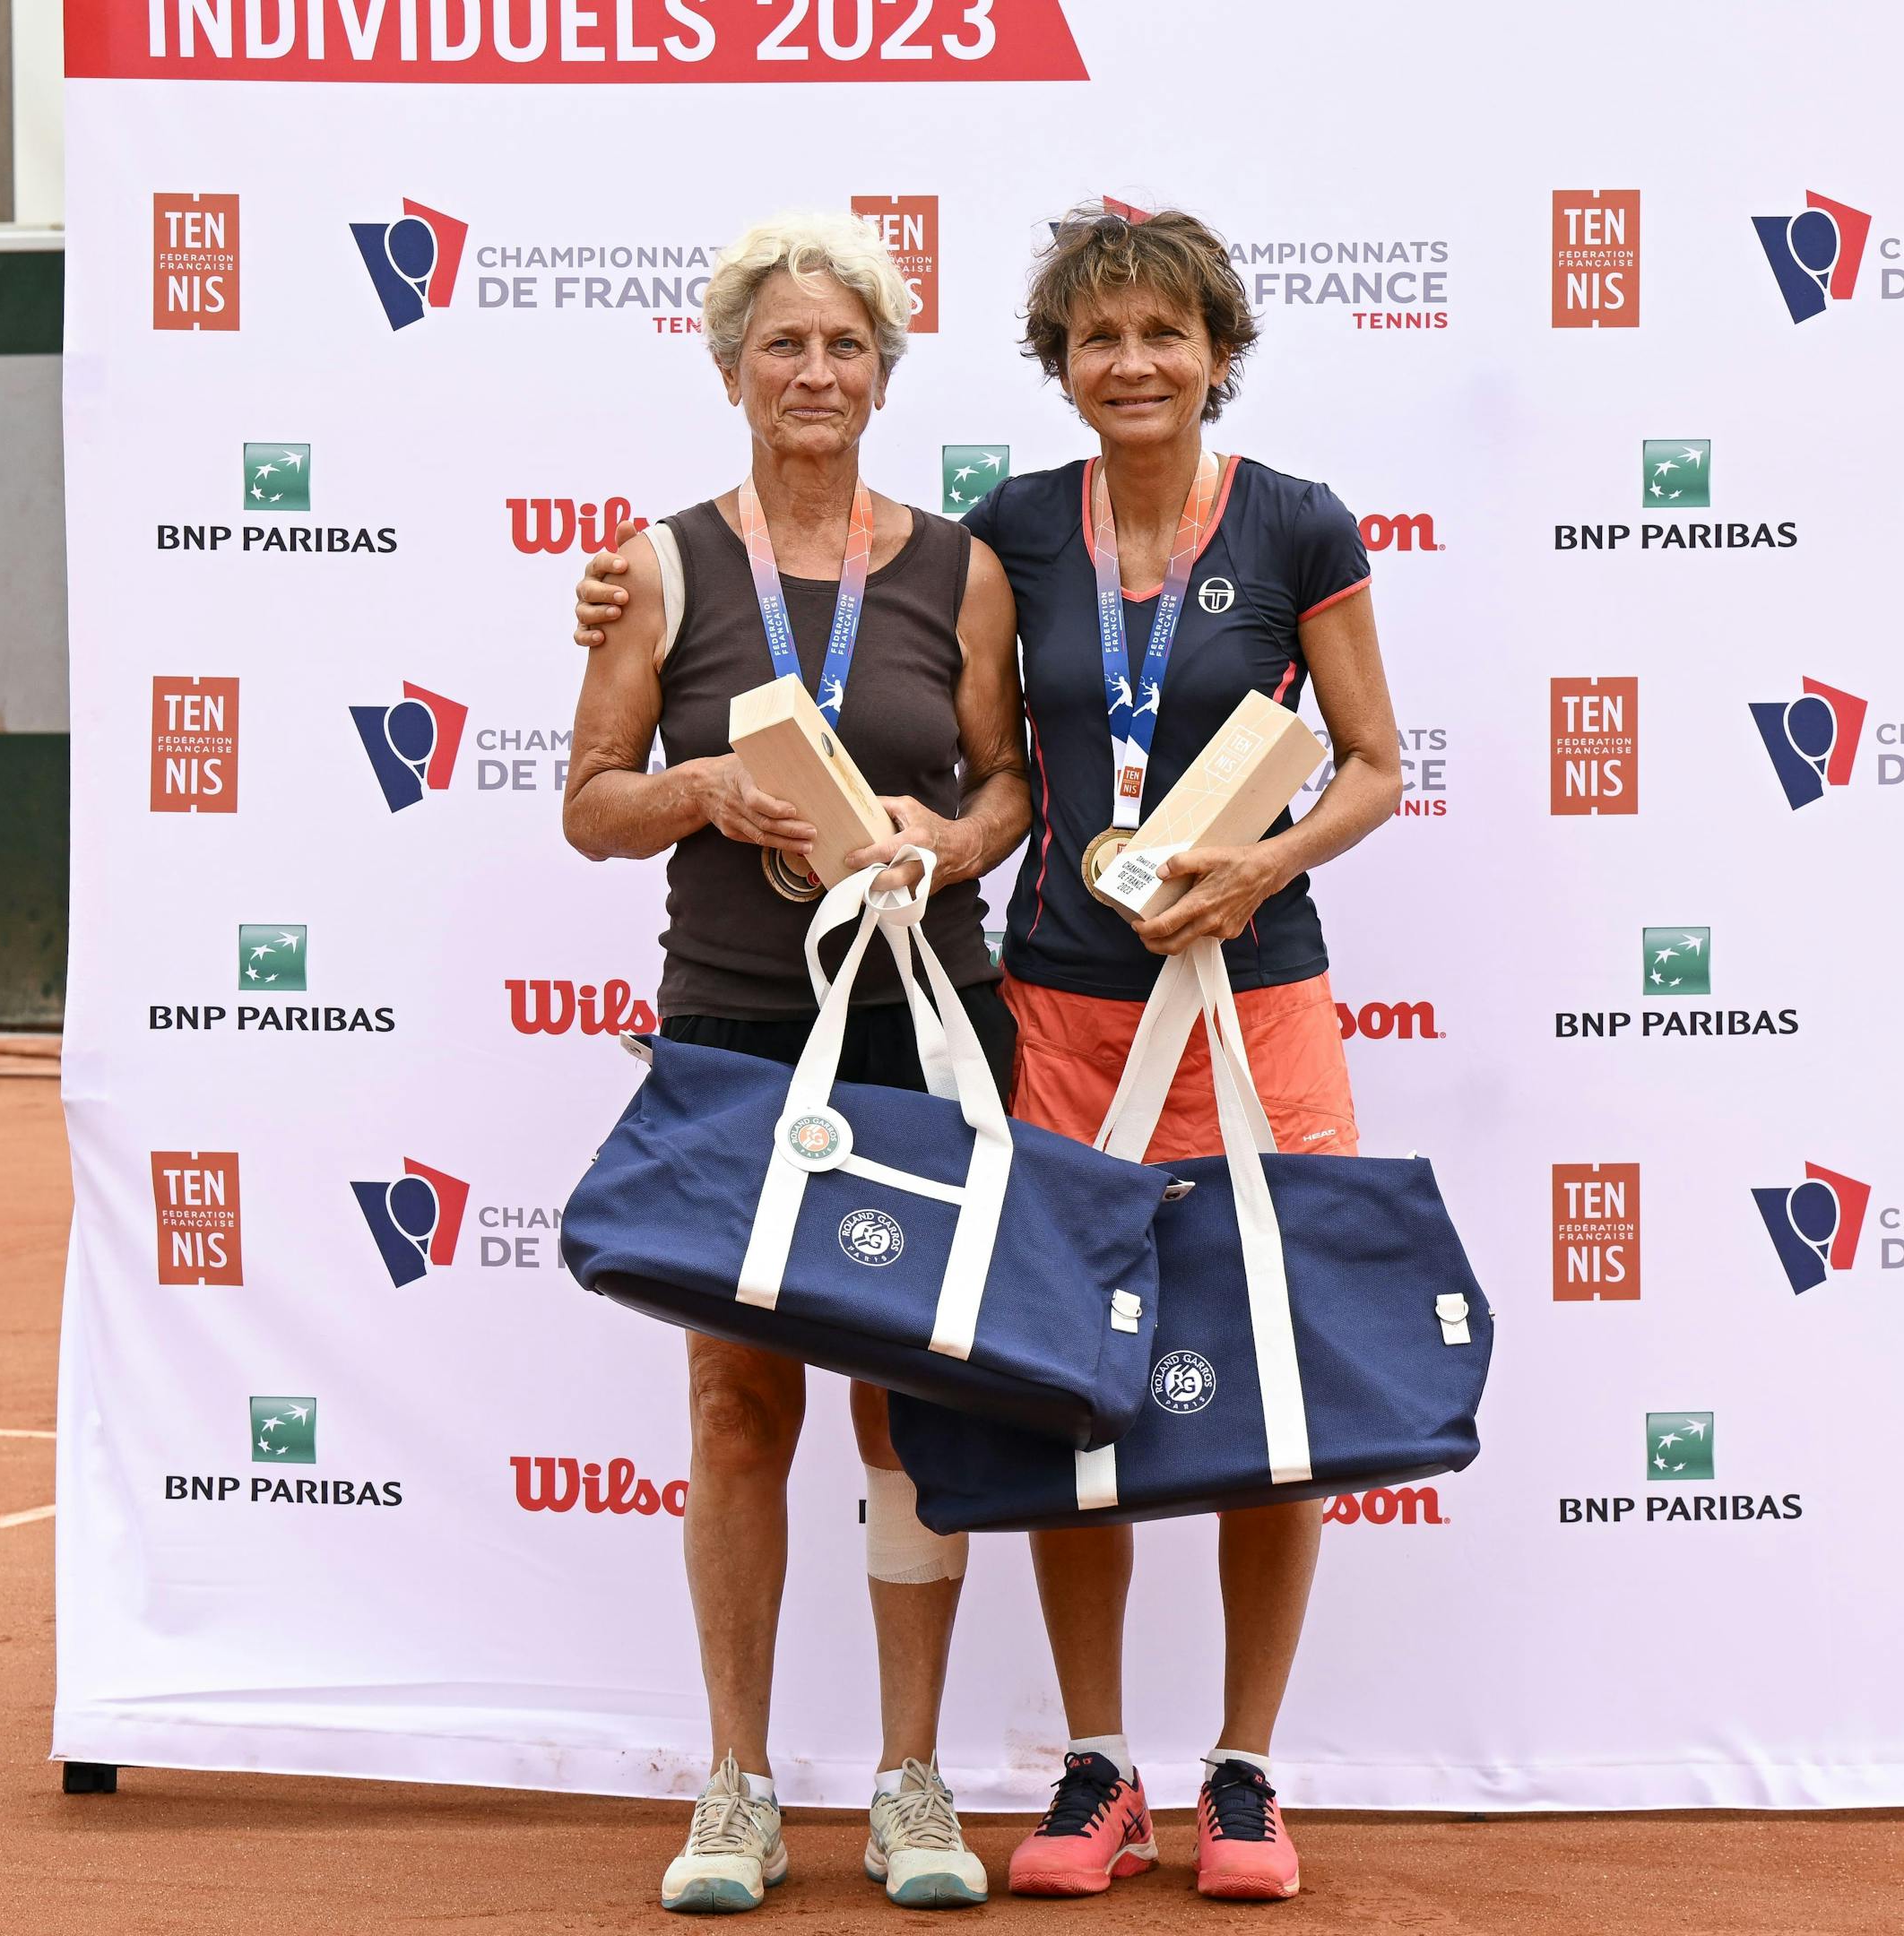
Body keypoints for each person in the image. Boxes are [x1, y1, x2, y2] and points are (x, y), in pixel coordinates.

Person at [576, 203, 1406, 1906]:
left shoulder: (1169, 537)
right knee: (896, 1392)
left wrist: (1190, 863)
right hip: (929, 1016)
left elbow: (1318, 766)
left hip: (1102, 1009)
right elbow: (615, 797)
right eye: (1099, 339)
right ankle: (924, 1775)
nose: (1134, 364)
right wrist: (692, 748)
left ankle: (1118, 1775)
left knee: (1166, 1388)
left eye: (1165, 335)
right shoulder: (944, 539)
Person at [559, 209, 1032, 1916]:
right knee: (734, 1403)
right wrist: (705, 793)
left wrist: (947, 841)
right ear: (732, 370)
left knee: (910, 1405)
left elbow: (1009, 786)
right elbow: (589, 803)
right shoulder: (666, 562)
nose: (814, 372)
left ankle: (912, 1784)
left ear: (887, 375)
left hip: (926, 1022)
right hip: (740, 1033)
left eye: (845, 347)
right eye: (784, 347)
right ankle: (739, 1786)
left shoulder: (960, 568)